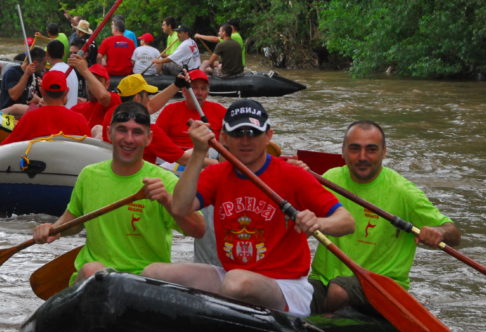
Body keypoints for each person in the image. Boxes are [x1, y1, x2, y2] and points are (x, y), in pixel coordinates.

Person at [142, 100, 354, 317]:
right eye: (237, 133)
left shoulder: (293, 175)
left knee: (236, 283)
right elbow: (179, 207)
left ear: (268, 135)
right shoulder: (216, 174)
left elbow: (347, 221)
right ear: (224, 138)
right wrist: (198, 153)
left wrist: (319, 223)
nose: (245, 141)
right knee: (153, 272)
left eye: (253, 133)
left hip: (285, 287)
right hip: (230, 275)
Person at [32, 101, 206, 283]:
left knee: (155, 271)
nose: (129, 139)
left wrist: (167, 202)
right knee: (93, 269)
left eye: (137, 132)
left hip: (143, 282)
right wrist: (52, 229)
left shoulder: (165, 181)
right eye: (122, 130)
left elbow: (199, 230)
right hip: (94, 278)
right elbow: (73, 222)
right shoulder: (89, 175)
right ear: (109, 133)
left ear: (149, 138)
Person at [307, 121, 461, 314]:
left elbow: (454, 234)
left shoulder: (404, 192)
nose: (362, 157)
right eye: (355, 149)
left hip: (381, 287)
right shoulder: (329, 179)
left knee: (338, 291)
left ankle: (320, 322)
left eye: (371, 150)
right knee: (294, 297)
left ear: (384, 152)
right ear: (343, 151)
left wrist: (439, 232)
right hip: (323, 279)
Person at [100, 74, 211, 168]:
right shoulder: (147, 131)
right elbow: (184, 160)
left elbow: (150, 107)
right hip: (145, 177)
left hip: (118, 167)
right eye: (147, 95)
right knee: (203, 154)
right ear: (137, 98)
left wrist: (176, 85)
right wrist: (220, 165)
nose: (149, 99)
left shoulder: (111, 114)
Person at [0, 71, 90, 145]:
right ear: (66, 91)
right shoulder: (79, 120)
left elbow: (6, 146)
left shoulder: (30, 118)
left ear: (42, 91)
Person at [155, 69, 226, 150]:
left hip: (210, 155)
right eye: (194, 88)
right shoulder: (170, 110)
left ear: (207, 92)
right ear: (184, 91)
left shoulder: (220, 111)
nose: (199, 93)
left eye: (203, 88)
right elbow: (157, 140)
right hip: (177, 157)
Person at [68, 56, 120, 129]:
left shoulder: (114, 99)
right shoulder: (76, 109)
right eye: (90, 80)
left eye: (98, 81)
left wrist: (85, 71)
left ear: (107, 84)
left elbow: (103, 97)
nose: (92, 85)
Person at [0, 46, 46, 117]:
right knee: (17, 108)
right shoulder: (12, 72)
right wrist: (26, 75)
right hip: (8, 115)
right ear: (35, 63)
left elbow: (44, 101)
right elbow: (14, 96)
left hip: (26, 114)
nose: (44, 67)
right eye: (44, 64)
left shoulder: (37, 76)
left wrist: (40, 96)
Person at [45, 40, 78, 108]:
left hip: (62, 113)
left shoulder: (53, 73)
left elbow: (52, 101)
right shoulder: (71, 69)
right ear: (63, 54)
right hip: (72, 111)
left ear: (47, 54)